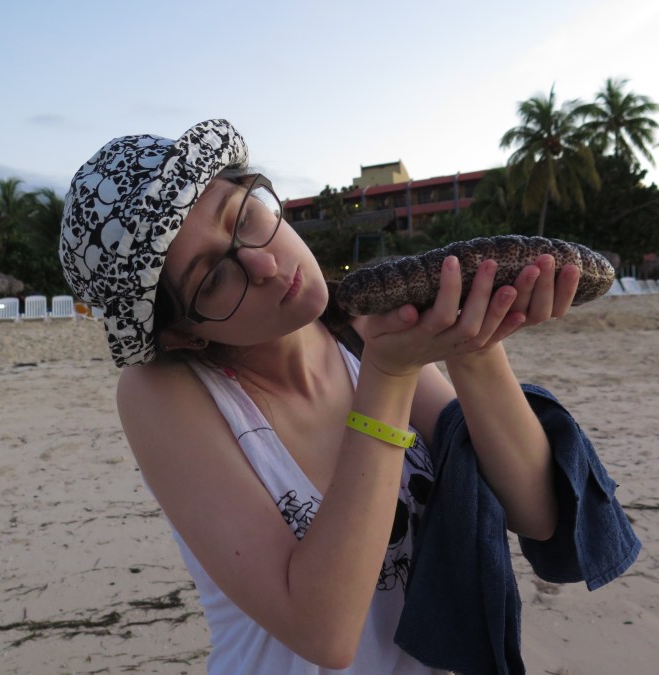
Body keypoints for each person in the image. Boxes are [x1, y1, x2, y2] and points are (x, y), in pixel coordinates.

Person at [59, 119, 582, 674]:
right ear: (182, 333)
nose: (262, 264)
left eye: (245, 217)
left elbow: (538, 514)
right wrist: (389, 375)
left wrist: (474, 348)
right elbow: (325, 631)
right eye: (212, 278)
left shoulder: (360, 333)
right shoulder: (164, 393)